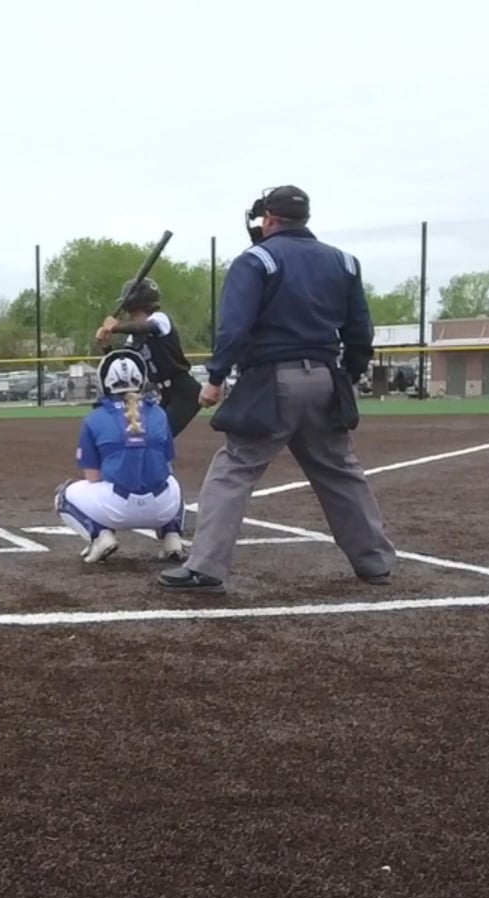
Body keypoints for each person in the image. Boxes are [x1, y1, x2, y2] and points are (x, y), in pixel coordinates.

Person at [160, 185, 395, 594]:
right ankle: (374, 562)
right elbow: (360, 331)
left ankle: (206, 567)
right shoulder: (344, 261)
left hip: (271, 380)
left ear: (269, 219)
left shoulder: (257, 260)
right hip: (325, 377)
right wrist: (349, 375)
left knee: (235, 468)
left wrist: (215, 378)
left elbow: (234, 329)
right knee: (340, 472)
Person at [53, 350, 188, 564]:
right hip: (162, 507)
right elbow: (167, 463)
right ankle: (173, 538)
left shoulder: (94, 419)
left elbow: (92, 477)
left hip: (117, 507)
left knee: (63, 495)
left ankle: (100, 536)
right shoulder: (159, 414)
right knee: (172, 482)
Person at [96, 277, 201, 436]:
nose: (129, 314)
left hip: (184, 392)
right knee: (145, 434)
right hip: (163, 393)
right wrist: (105, 345)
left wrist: (116, 327)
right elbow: (122, 363)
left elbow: (145, 327)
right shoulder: (133, 336)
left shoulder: (160, 319)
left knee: (159, 436)